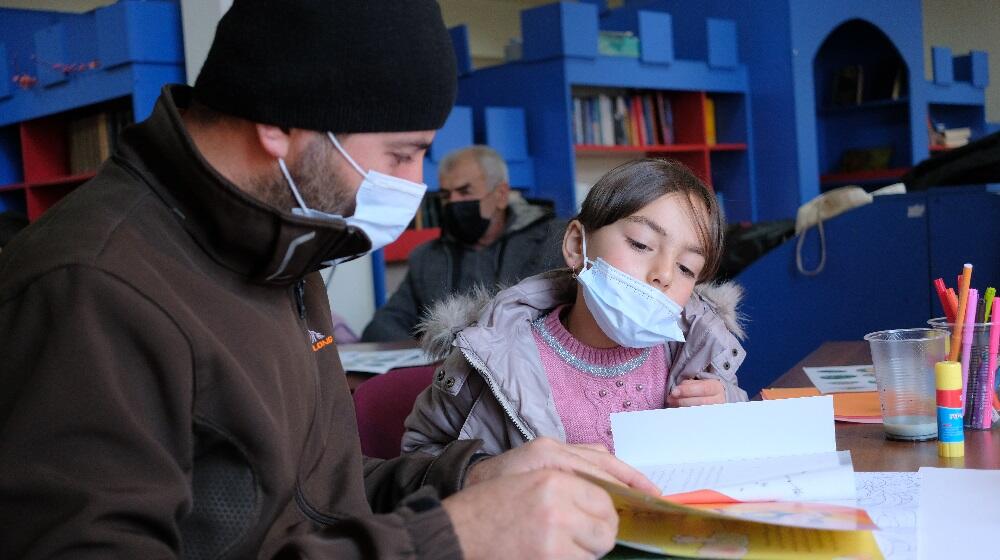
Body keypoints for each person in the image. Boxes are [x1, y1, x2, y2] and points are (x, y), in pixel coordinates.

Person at [0, 2, 660, 559]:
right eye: (401, 152)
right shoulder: (87, 287)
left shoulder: (285, 241)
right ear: (278, 124)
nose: (415, 184)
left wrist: (474, 475)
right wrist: (449, 539)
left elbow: (315, 496)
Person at [403, 159, 749, 457]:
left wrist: (726, 409)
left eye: (687, 268)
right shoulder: (496, 356)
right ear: (576, 245)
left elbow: (739, 455)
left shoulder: (699, 354)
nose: (663, 274)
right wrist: (491, 476)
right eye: (641, 244)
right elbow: (422, 455)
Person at [362, 145, 565, 342]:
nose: (453, 202)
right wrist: (430, 355)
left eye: (465, 192)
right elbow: (382, 327)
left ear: (501, 195)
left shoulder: (553, 243)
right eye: (445, 195)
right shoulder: (426, 258)